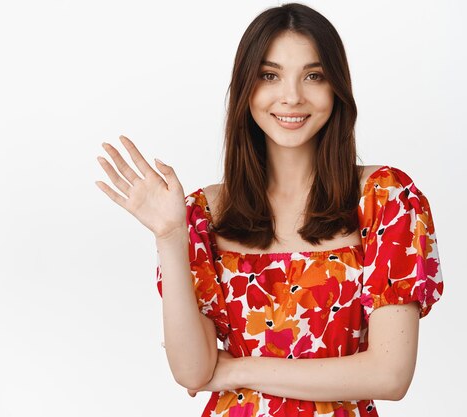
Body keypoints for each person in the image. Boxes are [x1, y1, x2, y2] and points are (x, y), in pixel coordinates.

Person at [95, 2, 444, 416]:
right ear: (247, 88)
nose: (292, 96)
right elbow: (193, 371)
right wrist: (170, 237)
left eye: (313, 76)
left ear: (336, 88)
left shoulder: (386, 199)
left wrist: (238, 371)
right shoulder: (203, 214)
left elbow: (390, 375)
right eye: (270, 75)